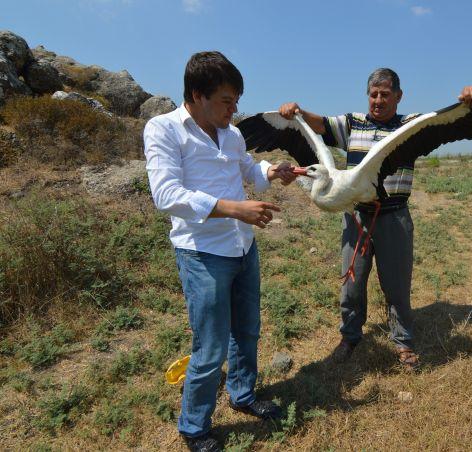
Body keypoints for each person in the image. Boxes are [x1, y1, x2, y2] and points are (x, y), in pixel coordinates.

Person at [279, 68, 472, 370]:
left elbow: (451, 116)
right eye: (373, 94)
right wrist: (294, 111)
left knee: (397, 284)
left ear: (398, 97)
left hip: (394, 218)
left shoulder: (410, 125)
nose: (377, 100)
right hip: (356, 217)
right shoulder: (352, 124)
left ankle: (403, 343)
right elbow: (319, 124)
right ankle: (350, 337)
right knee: (351, 283)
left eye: (385, 95)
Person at [144, 51, 296, 452]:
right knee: (210, 347)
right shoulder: (163, 130)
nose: (235, 109)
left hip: (242, 246)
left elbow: (245, 168)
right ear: (197, 94)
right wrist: (235, 209)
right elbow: (166, 194)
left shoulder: (231, 133)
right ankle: (194, 427)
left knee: (246, 331)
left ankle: (243, 394)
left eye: (236, 100)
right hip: (203, 253)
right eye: (227, 100)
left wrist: (272, 172)